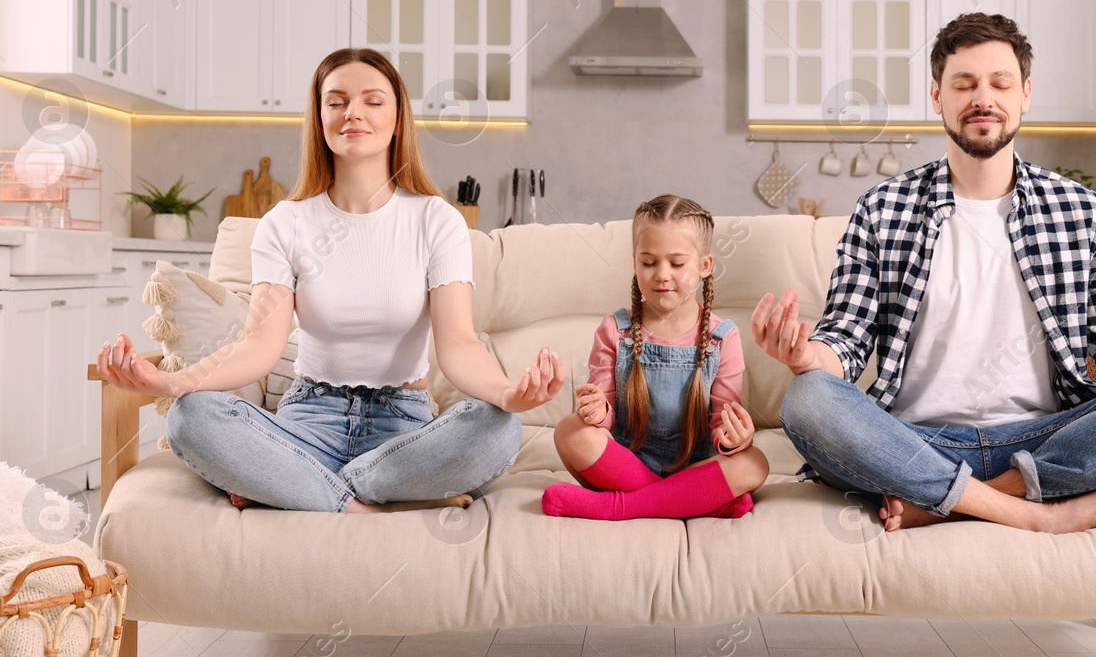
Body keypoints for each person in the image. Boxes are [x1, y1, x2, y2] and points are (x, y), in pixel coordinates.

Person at [755, 12, 1096, 534]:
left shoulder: (1079, 211)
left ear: (1025, 94)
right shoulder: (883, 208)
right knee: (808, 398)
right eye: (964, 83)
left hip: (1049, 437)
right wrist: (806, 357)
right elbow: (847, 338)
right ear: (937, 96)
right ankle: (1036, 514)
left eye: (1000, 83)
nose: (983, 98)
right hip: (911, 443)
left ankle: (972, 499)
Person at [94, 47, 565, 513]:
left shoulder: (435, 220)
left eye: (372, 101)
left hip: (402, 432)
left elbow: (459, 344)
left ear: (398, 118)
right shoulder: (285, 222)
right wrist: (172, 383)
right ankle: (369, 503)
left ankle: (305, 489)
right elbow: (258, 346)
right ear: (319, 117)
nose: (352, 113)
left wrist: (507, 394)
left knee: (500, 427)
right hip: (306, 423)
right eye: (336, 101)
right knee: (191, 417)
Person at [543, 195, 770, 521]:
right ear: (635, 263)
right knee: (569, 431)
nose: (662, 275)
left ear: (704, 266)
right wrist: (597, 411)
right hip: (627, 462)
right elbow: (603, 416)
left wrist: (736, 438)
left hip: (697, 466)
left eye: (677, 264)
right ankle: (693, 501)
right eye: (649, 263)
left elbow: (723, 421)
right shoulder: (615, 330)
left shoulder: (723, 339)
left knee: (755, 462)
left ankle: (619, 507)